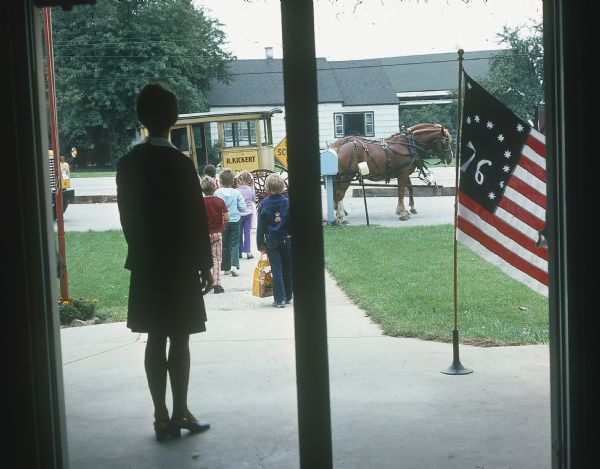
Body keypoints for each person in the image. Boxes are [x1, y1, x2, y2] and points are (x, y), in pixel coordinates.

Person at [116, 82, 213, 442]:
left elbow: (128, 217)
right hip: (179, 265)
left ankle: (160, 417)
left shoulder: (127, 164)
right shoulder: (179, 163)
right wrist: (204, 264)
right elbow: (194, 217)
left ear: (141, 118)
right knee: (181, 339)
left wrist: (141, 252)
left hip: (146, 265)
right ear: (173, 118)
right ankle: (180, 411)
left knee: (154, 337)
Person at [256, 173, 292, 308]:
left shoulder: (264, 204)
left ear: (266, 187)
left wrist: (260, 244)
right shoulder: (287, 202)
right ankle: (288, 295)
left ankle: (279, 299)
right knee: (287, 268)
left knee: (276, 269)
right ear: (282, 186)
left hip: (272, 240)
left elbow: (261, 227)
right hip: (286, 238)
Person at [214, 168, 246, 277]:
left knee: (225, 244)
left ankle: (225, 267)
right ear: (232, 181)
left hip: (222, 221)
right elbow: (243, 208)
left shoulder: (217, 193)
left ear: (221, 181)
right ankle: (234, 265)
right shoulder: (236, 193)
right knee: (234, 243)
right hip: (235, 221)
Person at [201, 176, 229, 293]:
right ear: (214, 187)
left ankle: (206, 281)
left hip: (203, 235)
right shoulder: (220, 202)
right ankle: (217, 284)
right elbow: (227, 217)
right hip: (216, 232)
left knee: (204, 259)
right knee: (217, 259)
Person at [236, 170, 256, 260]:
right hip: (248, 213)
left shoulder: (236, 191)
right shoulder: (250, 190)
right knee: (247, 233)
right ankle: (248, 252)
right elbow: (254, 200)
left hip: (239, 214)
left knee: (239, 233)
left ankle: (239, 251)